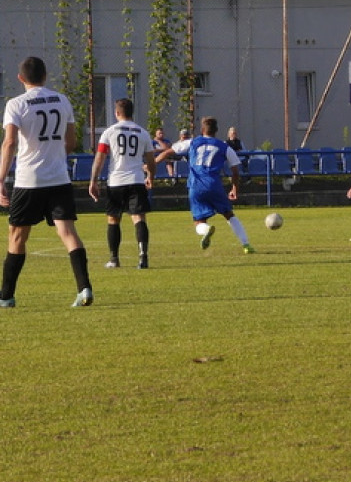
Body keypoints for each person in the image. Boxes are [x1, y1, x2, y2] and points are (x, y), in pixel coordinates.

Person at [0, 56, 94, 307]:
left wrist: (0, 178)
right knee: (68, 232)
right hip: (58, 178)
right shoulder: (62, 100)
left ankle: (6, 296)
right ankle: (84, 288)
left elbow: (10, 142)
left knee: (17, 236)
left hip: (29, 179)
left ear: (21, 78)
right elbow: (71, 142)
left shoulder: (15, 104)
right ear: (45, 76)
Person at [156, 116, 255, 253]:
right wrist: (234, 189)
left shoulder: (192, 142)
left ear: (202, 130)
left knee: (198, 221)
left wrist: (151, 164)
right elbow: (235, 171)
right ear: (216, 131)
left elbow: (167, 152)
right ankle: (246, 245)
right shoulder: (224, 146)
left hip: (196, 185)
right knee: (229, 214)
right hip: (214, 184)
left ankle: (206, 229)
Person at [88, 98, 157, 269]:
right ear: (131, 112)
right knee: (139, 218)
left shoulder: (109, 132)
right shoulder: (143, 132)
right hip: (136, 180)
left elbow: (100, 158)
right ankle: (143, 256)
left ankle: (114, 259)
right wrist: (150, 177)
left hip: (116, 181)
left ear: (117, 113)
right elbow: (151, 160)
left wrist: (93, 180)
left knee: (113, 219)